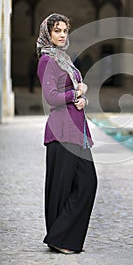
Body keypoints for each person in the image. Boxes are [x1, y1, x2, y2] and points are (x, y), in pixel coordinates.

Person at [36, 13, 97, 254]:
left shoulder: (64, 59)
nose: (62, 35)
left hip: (77, 130)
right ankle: (59, 239)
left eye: (64, 31)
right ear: (48, 34)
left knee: (88, 182)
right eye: (57, 31)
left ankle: (61, 235)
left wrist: (82, 96)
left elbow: (72, 91)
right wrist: (74, 95)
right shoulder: (46, 61)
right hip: (61, 131)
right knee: (60, 187)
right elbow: (51, 98)